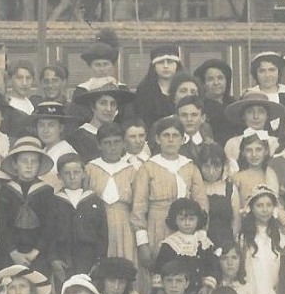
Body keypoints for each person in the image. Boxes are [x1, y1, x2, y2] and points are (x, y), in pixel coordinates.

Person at [131, 116, 209, 274]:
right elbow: (138, 208)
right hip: (157, 227)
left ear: (182, 139)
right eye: (166, 135)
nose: (171, 140)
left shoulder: (190, 167)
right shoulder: (148, 168)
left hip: (187, 228)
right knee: (160, 272)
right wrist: (142, 244)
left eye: (175, 136)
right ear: (157, 139)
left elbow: (202, 204)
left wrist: (201, 234)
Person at [0, 136, 58, 276]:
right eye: (24, 161)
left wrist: (35, 252)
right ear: (15, 164)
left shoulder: (46, 191)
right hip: (10, 253)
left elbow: (50, 226)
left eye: (34, 162)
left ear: (39, 165)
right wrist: (13, 253)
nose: (29, 165)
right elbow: (0, 225)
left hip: (37, 254)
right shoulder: (6, 191)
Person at [86, 123, 140, 273]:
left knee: (125, 264)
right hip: (98, 224)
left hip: (124, 226)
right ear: (99, 145)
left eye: (117, 142)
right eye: (107, 143)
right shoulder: (90, 169)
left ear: (123, 144)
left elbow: (138, 204)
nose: (112, 147)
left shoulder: (131, 170)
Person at [238, 185, 285, 294]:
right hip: (253, 289)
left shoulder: (280, 236)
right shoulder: (245, 238)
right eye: (260, 205)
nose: (264, 210)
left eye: (268, 205)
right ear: (251, 208)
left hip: (273, 290)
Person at [51, 153, 108, 281]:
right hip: (64, 259)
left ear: (83, 173)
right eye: (67, 173)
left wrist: (99, 261)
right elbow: (49, 233)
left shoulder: (94, 200)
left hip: (88, 258)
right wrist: (53, 259)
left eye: (76, 172)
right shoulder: (54, 201)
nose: (72, 177)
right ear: (59, 176)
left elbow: (103, 234)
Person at [152, 198, 218, 294]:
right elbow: (160, 267)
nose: (187, 223)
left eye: (191, 219)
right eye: (182, 219)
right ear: (175, 220)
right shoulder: (171, 244)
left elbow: (211, 266)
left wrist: (207, 286)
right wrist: (160, 289)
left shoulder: (203, 241)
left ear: (198, 220)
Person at [68, 82, 135, 162]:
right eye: (103, 103)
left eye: (113, 104)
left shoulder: (122, 134)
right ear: (93, 106)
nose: (109, 109)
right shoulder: (78, 138)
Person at [221, 91, 284, 165]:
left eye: (261, 112)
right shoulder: (233, 144)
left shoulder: (276, 144)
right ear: (243, 116)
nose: (256, 117)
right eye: (250, 112)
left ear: (267, 116)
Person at [33, 101, 81, 191]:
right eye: (41, 125)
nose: (45, 130)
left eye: (51, 125)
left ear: (61, 128)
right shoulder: (42, 151)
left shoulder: (67, 153)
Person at [133, 44, 183, 131]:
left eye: (170, 62)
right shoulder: (144, 90)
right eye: (160, 62)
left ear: (177, 65)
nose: (166, 66)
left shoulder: (187, 87)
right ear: (154, 66)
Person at [248, 51, 285, 130]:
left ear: (279, 72)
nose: (267, 75)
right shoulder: (250, 95)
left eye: (272, 70)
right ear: (256, 74)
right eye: (262, 71)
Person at [193, 59, 238, 145]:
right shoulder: (200, 106)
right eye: (210, 79)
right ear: (204, 83)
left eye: (220, 78)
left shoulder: (233, 104)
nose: (216, 82)